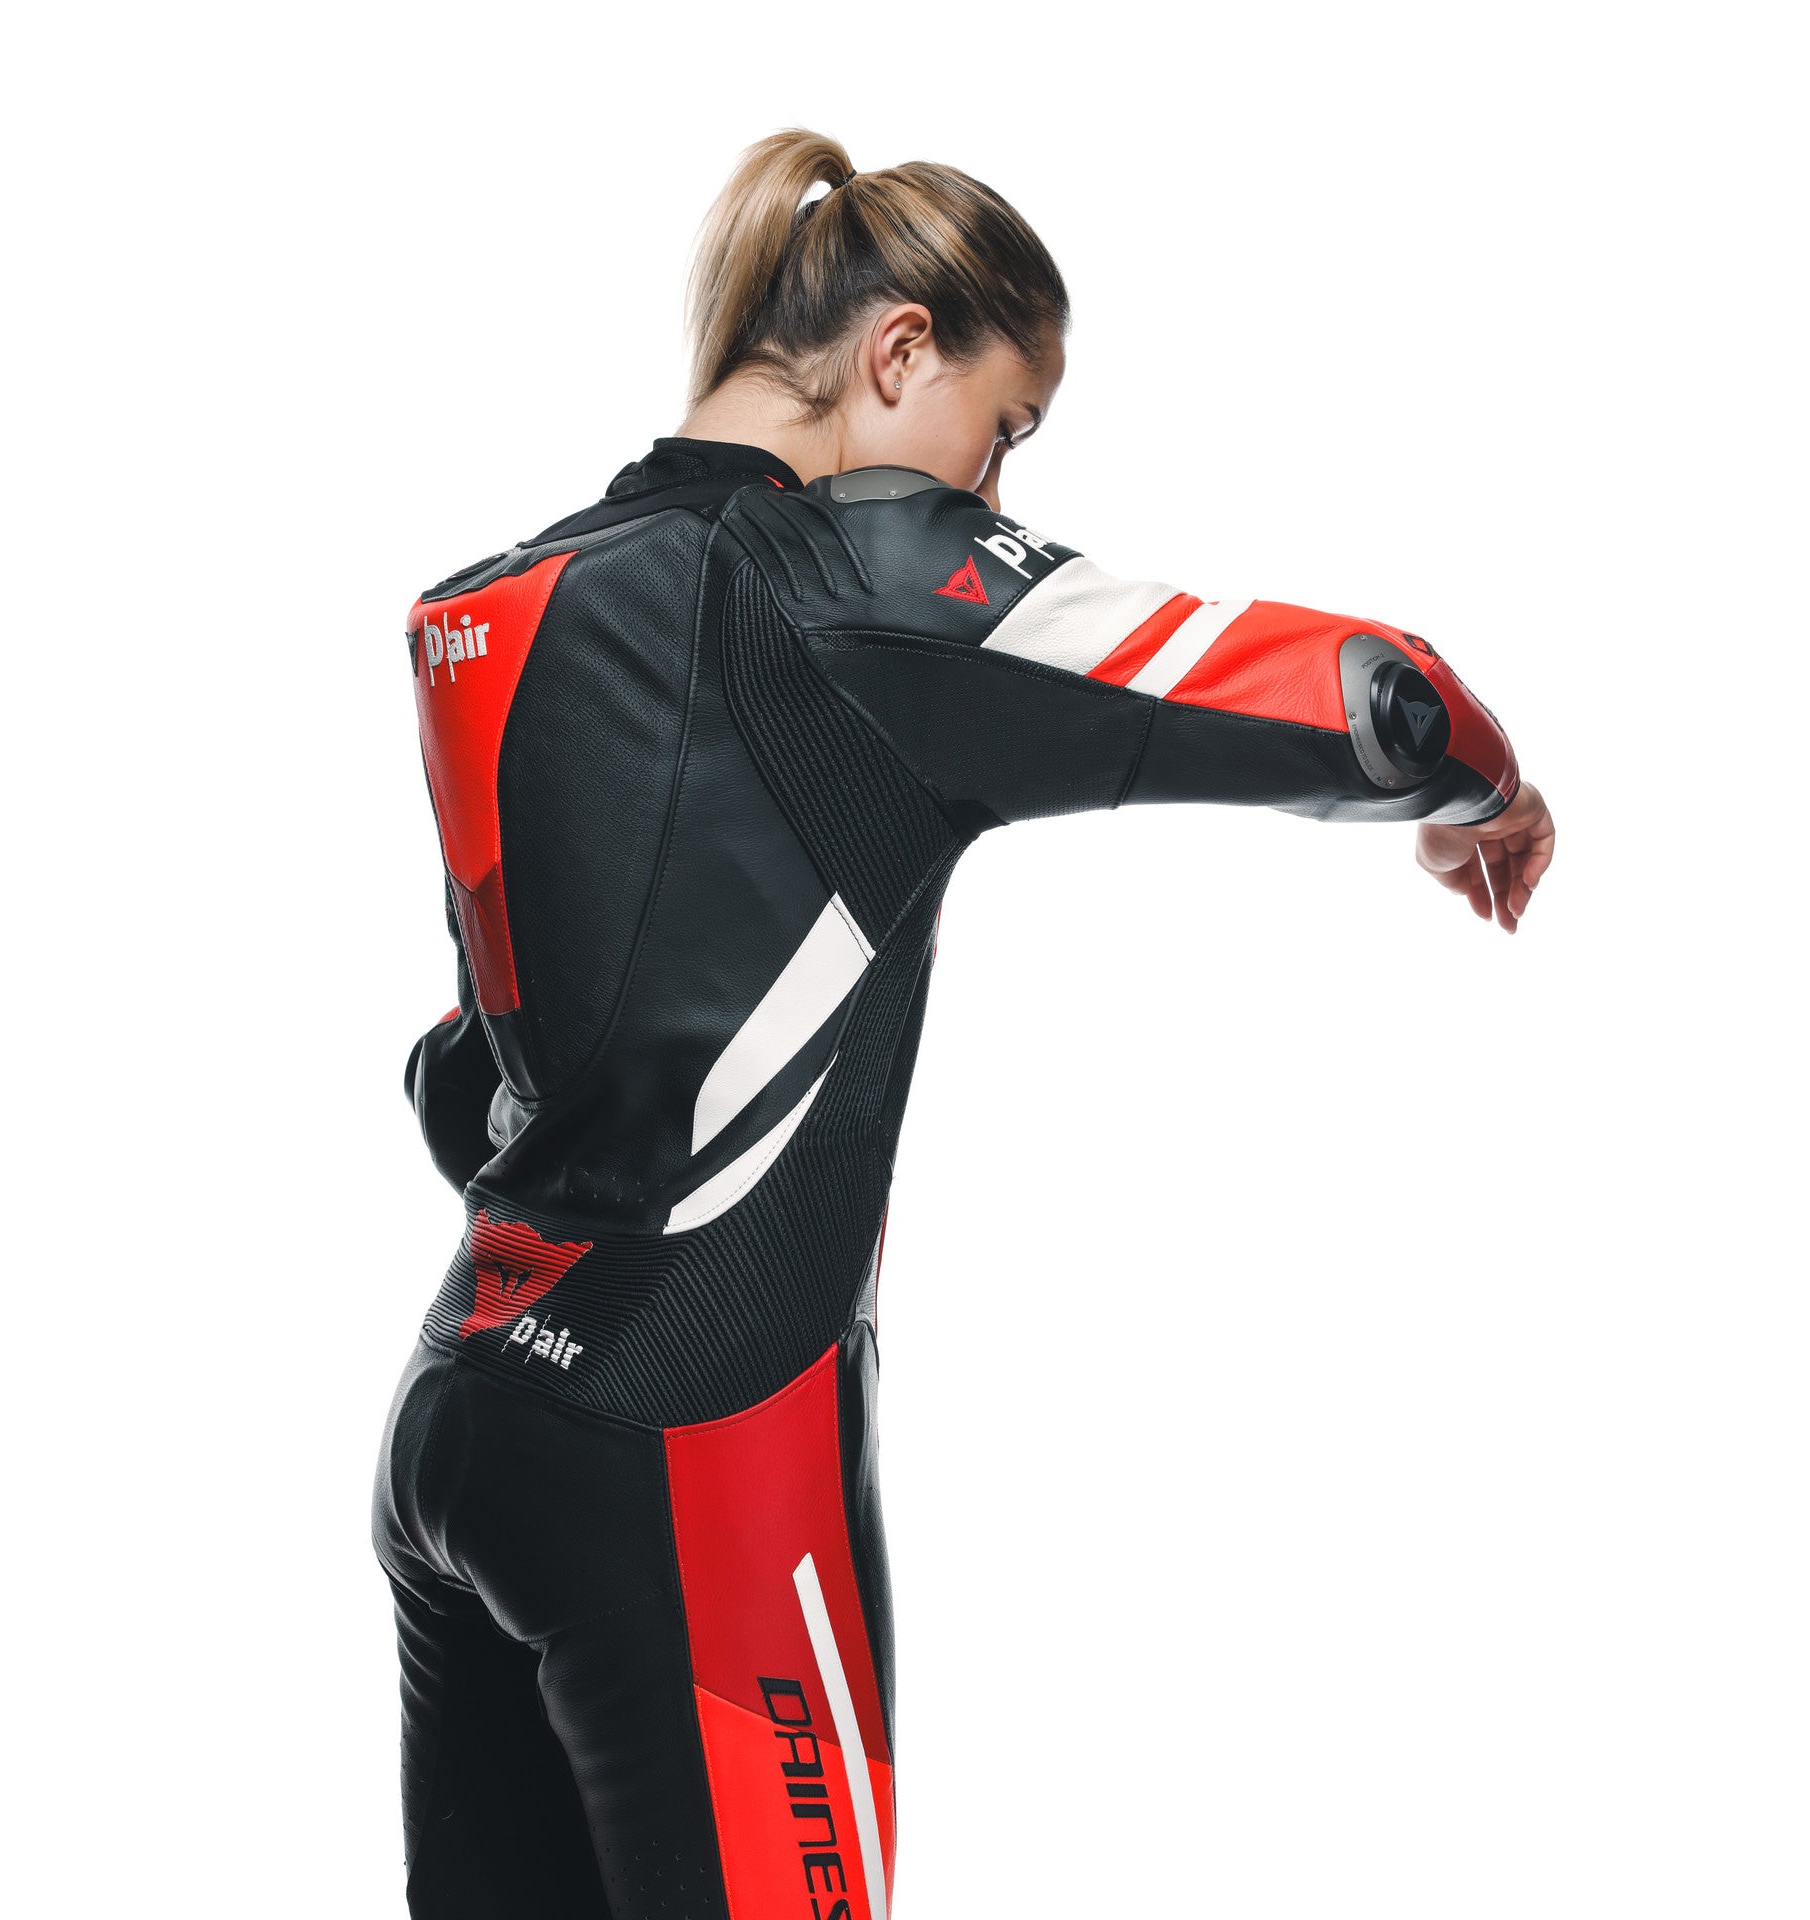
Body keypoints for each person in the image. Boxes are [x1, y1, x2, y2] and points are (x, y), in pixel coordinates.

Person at [372, 127, 1557, 1920]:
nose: (995, 485)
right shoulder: (856, 587)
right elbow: (1375, 701)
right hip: (703, 1448)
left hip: (463, 1412)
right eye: (1003, 428)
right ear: (899, 351)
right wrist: (1492, 791)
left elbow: (462, 1081)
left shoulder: (492, 607)